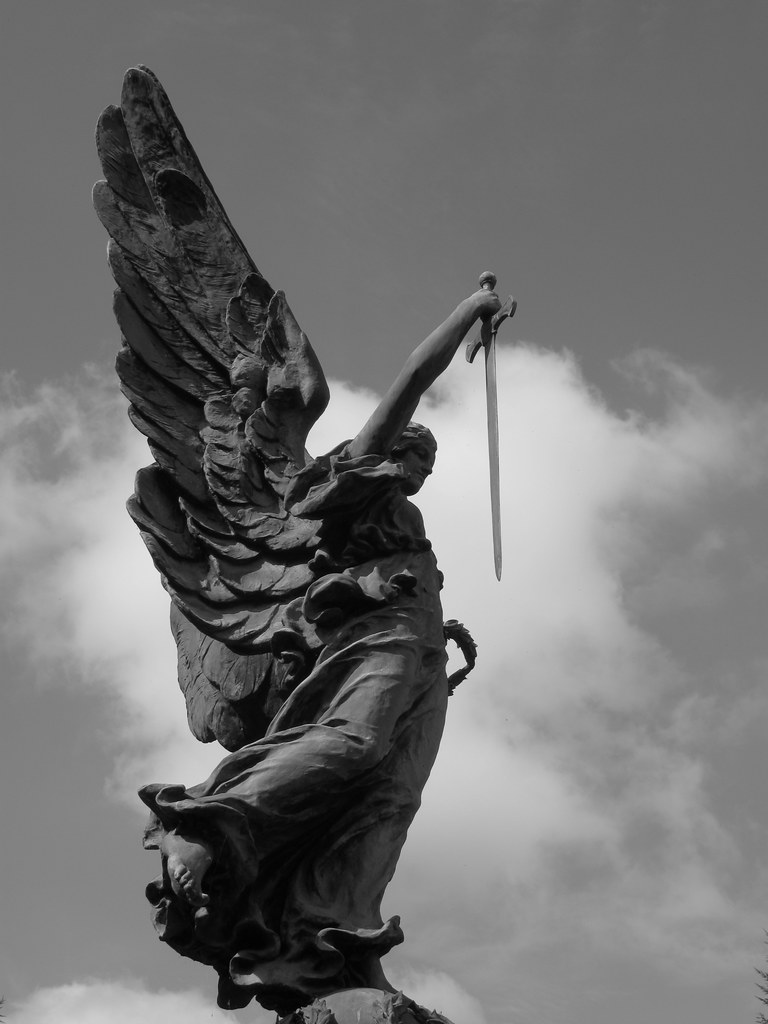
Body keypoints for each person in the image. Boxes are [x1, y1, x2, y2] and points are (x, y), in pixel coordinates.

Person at [139, 285, 501, 1012]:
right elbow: (410, 381)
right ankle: (205, 820)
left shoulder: (401, 514)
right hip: (379, 634)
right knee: (356, 745)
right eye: (412, 456)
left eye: (425, 467)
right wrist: (467, 313)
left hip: (419, 646)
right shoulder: (354, 480)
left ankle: (323, 943)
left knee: (390, 797)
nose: (418, 470)